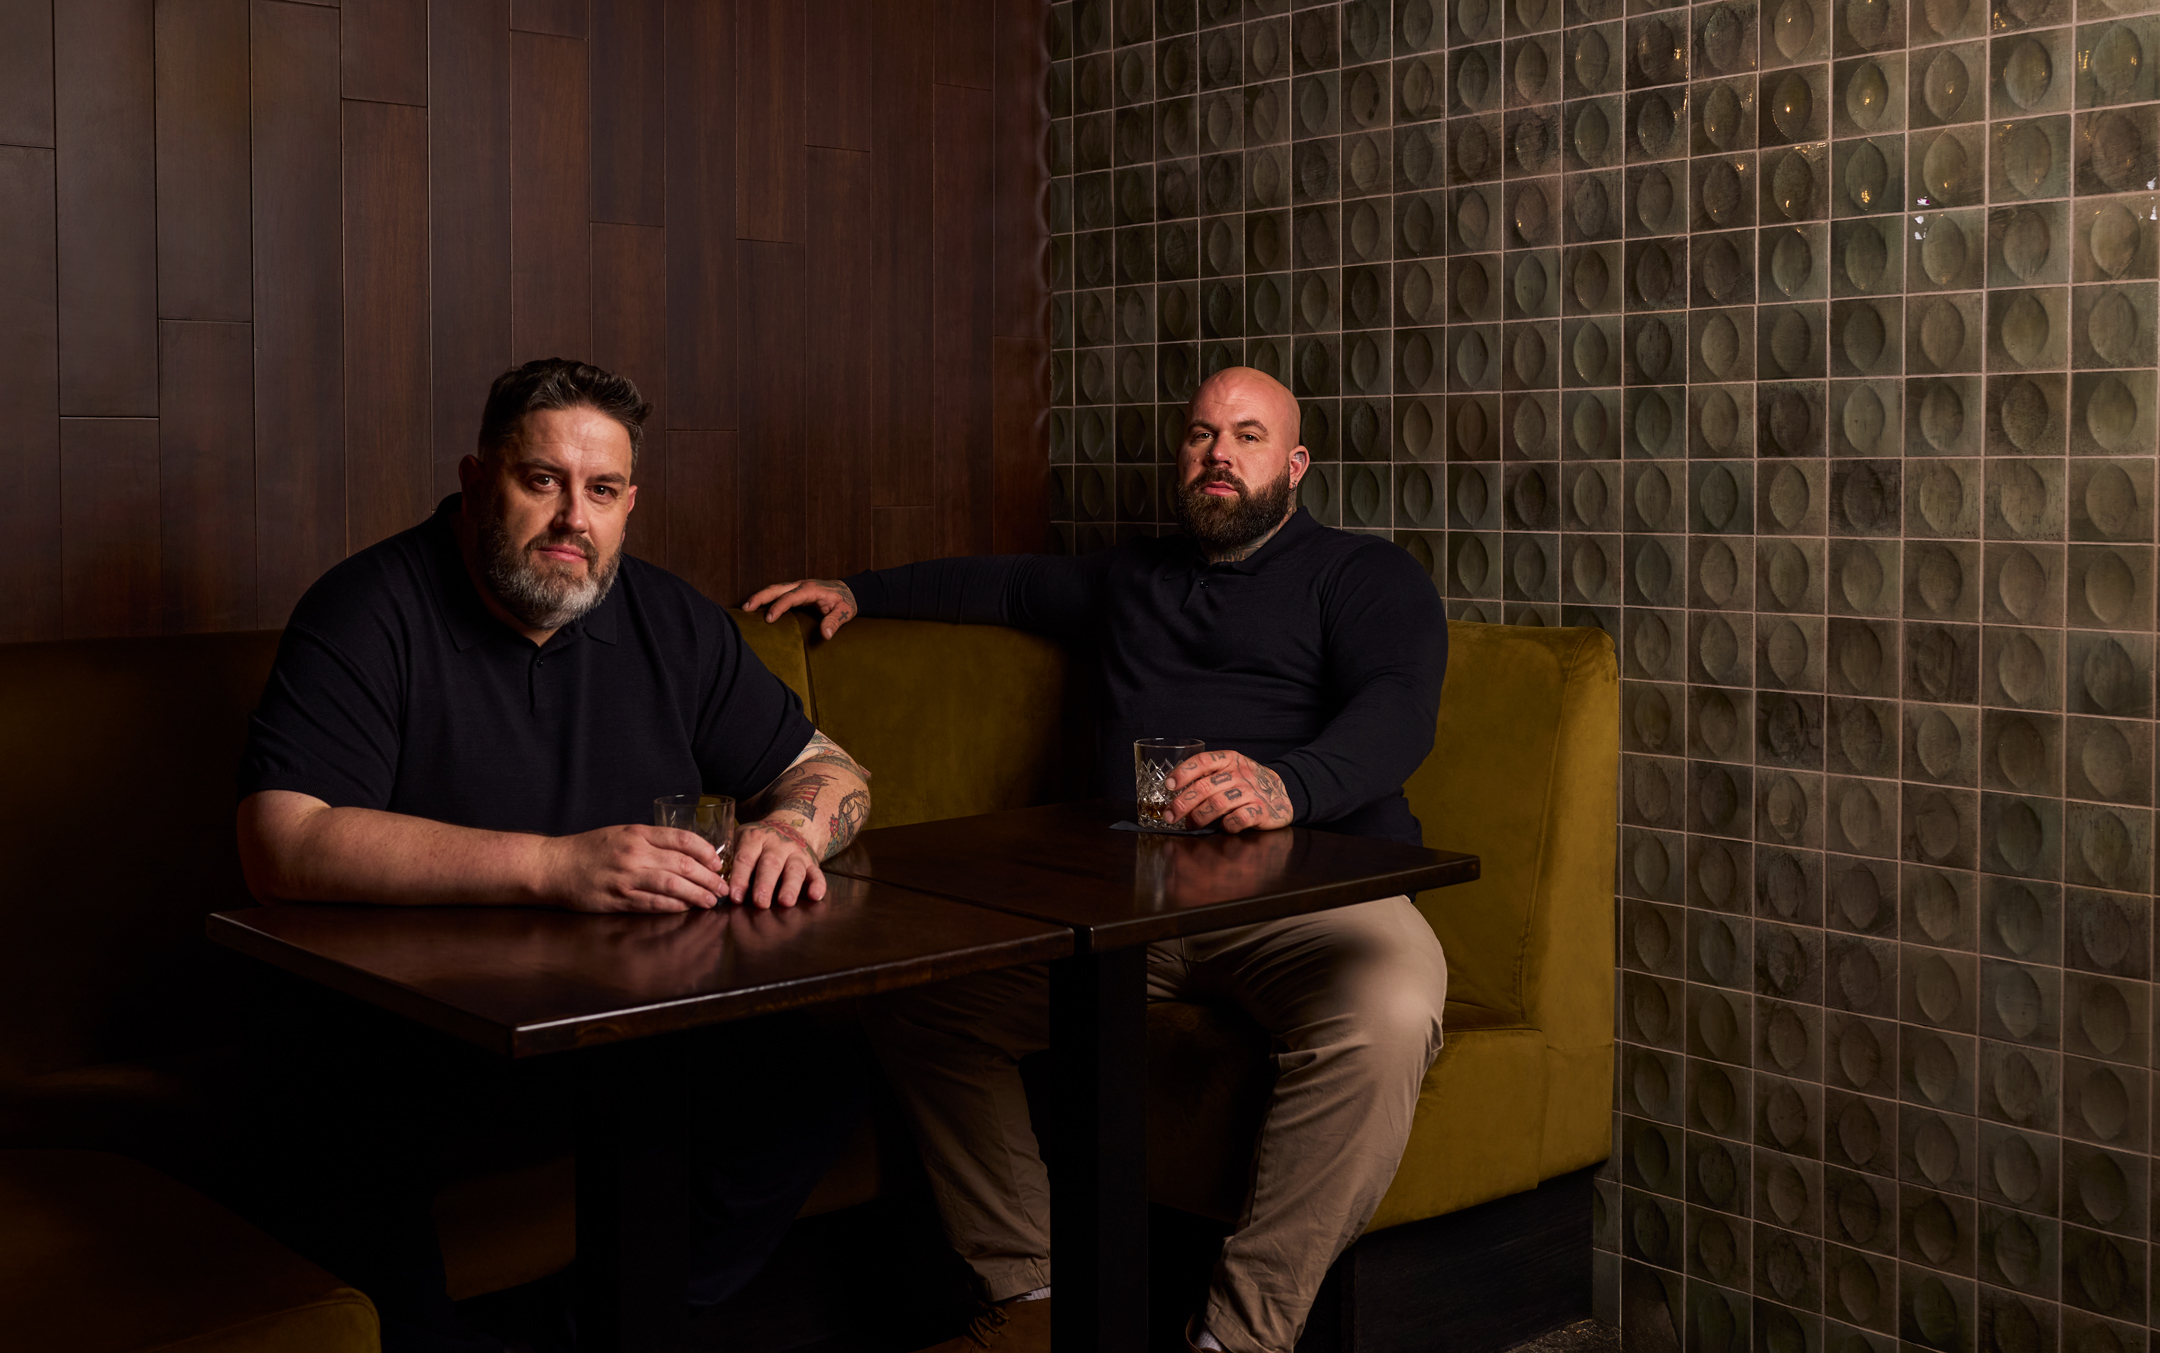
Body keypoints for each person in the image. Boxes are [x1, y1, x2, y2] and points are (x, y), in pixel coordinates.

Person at [745, 366, 1451, 1353]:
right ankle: (1034, 1299)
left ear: (1294, 466)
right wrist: (856, 590)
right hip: (1138, 911)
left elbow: (1399, 716)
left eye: (1248, 438)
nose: (1219, 454)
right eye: (1202, 435)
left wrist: (1285, 787)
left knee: (1393, 1010)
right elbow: (994, 585)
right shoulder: (1132, 578)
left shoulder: (1368, 576)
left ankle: (1241, 1339)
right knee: (921, 1002)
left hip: (1316, 902)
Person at [235, 358, 874, 1352]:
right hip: (401, 1035)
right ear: (477, 476)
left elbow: (829, 769)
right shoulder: (366, 609)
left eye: (603, 491)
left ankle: (570, 1332)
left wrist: (793, 828)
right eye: (543, 481)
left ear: (629, 504)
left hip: (610, 1027)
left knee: (823, 1075)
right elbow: (282, 838)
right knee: (339, 1124)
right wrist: (556, 865)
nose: (574, 517)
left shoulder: (670, 620)